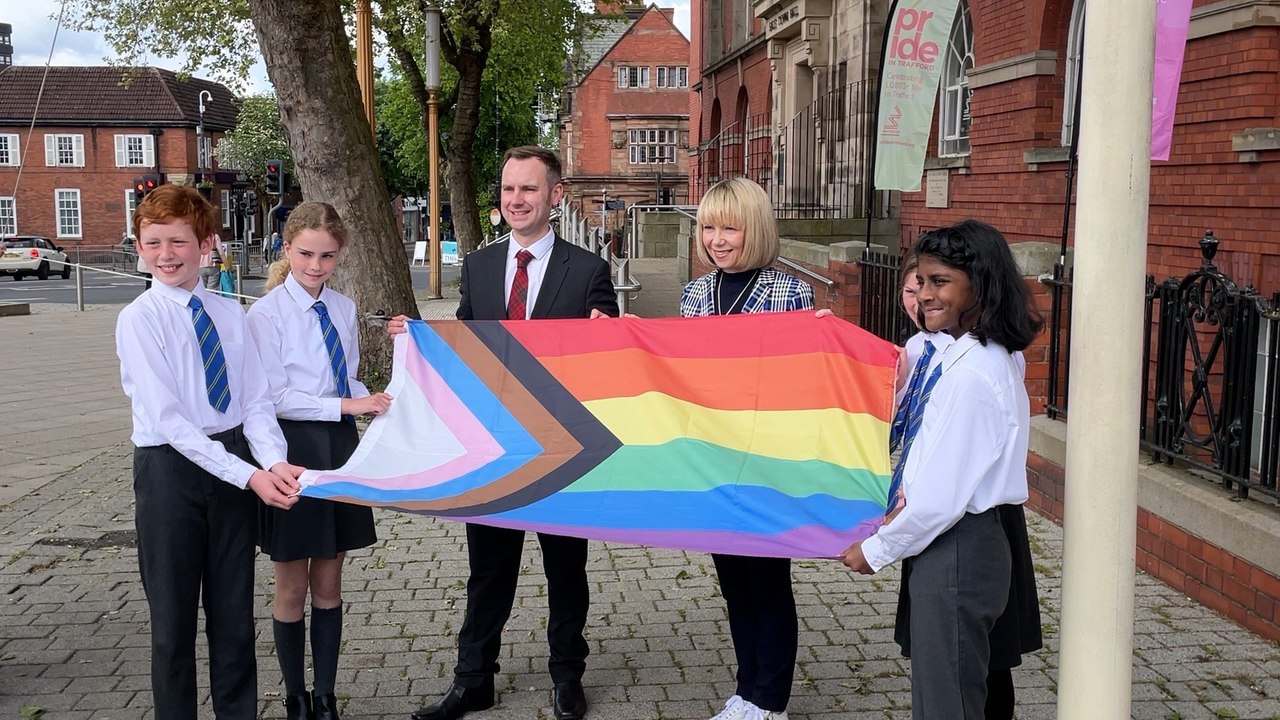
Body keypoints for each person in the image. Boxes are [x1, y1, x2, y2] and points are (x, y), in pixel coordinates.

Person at [389, 145, 618, 720]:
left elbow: (607, 357)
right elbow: (469, 344)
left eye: (529, 189)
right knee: (488, 571)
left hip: (563, 447)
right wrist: (422, 339)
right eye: (509, 189)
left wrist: (608, 335)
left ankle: (567, 675)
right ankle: (473, 680)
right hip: (492, 446)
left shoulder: (587, 270)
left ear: (555, 196)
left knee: (567, 569)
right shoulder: (480, 267)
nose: (516, 200)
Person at [839, 219, 1044, 720]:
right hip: (954, 541)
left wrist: (876, 550)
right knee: (948, 693)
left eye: (940, 282)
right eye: (921, 282)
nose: (924, 295)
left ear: (981, 285)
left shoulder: (973, 375)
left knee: (945, 702)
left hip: (957, 544)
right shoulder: (965, 355)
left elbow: (939, 497)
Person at [115, 184, 302, 720]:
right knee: (172, 622)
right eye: (153, 243)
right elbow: (170, 421)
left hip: (233, 460)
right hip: (170, 472)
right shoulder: (140, 319)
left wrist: (272, 461)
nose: (166, 255)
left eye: (178, 242)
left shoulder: (228, 314)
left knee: (233, 616)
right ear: (139, 247)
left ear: (206, 245)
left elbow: (254, 400)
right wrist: (249, 476)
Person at [247, 202, 394, 720]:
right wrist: (348, 404)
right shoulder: (265, 315)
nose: (315, 265)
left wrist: (381, 394)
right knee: (291, 582)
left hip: (339, 447)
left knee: (330, 579)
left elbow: (346, 377)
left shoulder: (344, 308)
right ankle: (294, 697)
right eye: (306, 254)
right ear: (287, 249)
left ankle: (326, 694)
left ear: (339, 256)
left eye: (327, 256)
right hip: (290, 451)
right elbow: (272, 396)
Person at [682, 178, 814, 720]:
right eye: (709, 227)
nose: (717, 239)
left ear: (755, 229)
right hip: (713, 463)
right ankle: (746, 690)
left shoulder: (789, 292)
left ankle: (772, 700)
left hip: (764, 463)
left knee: (768, 583)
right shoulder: (695, 295)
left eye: (729, 227)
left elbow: (799, 381)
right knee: (734, 583)